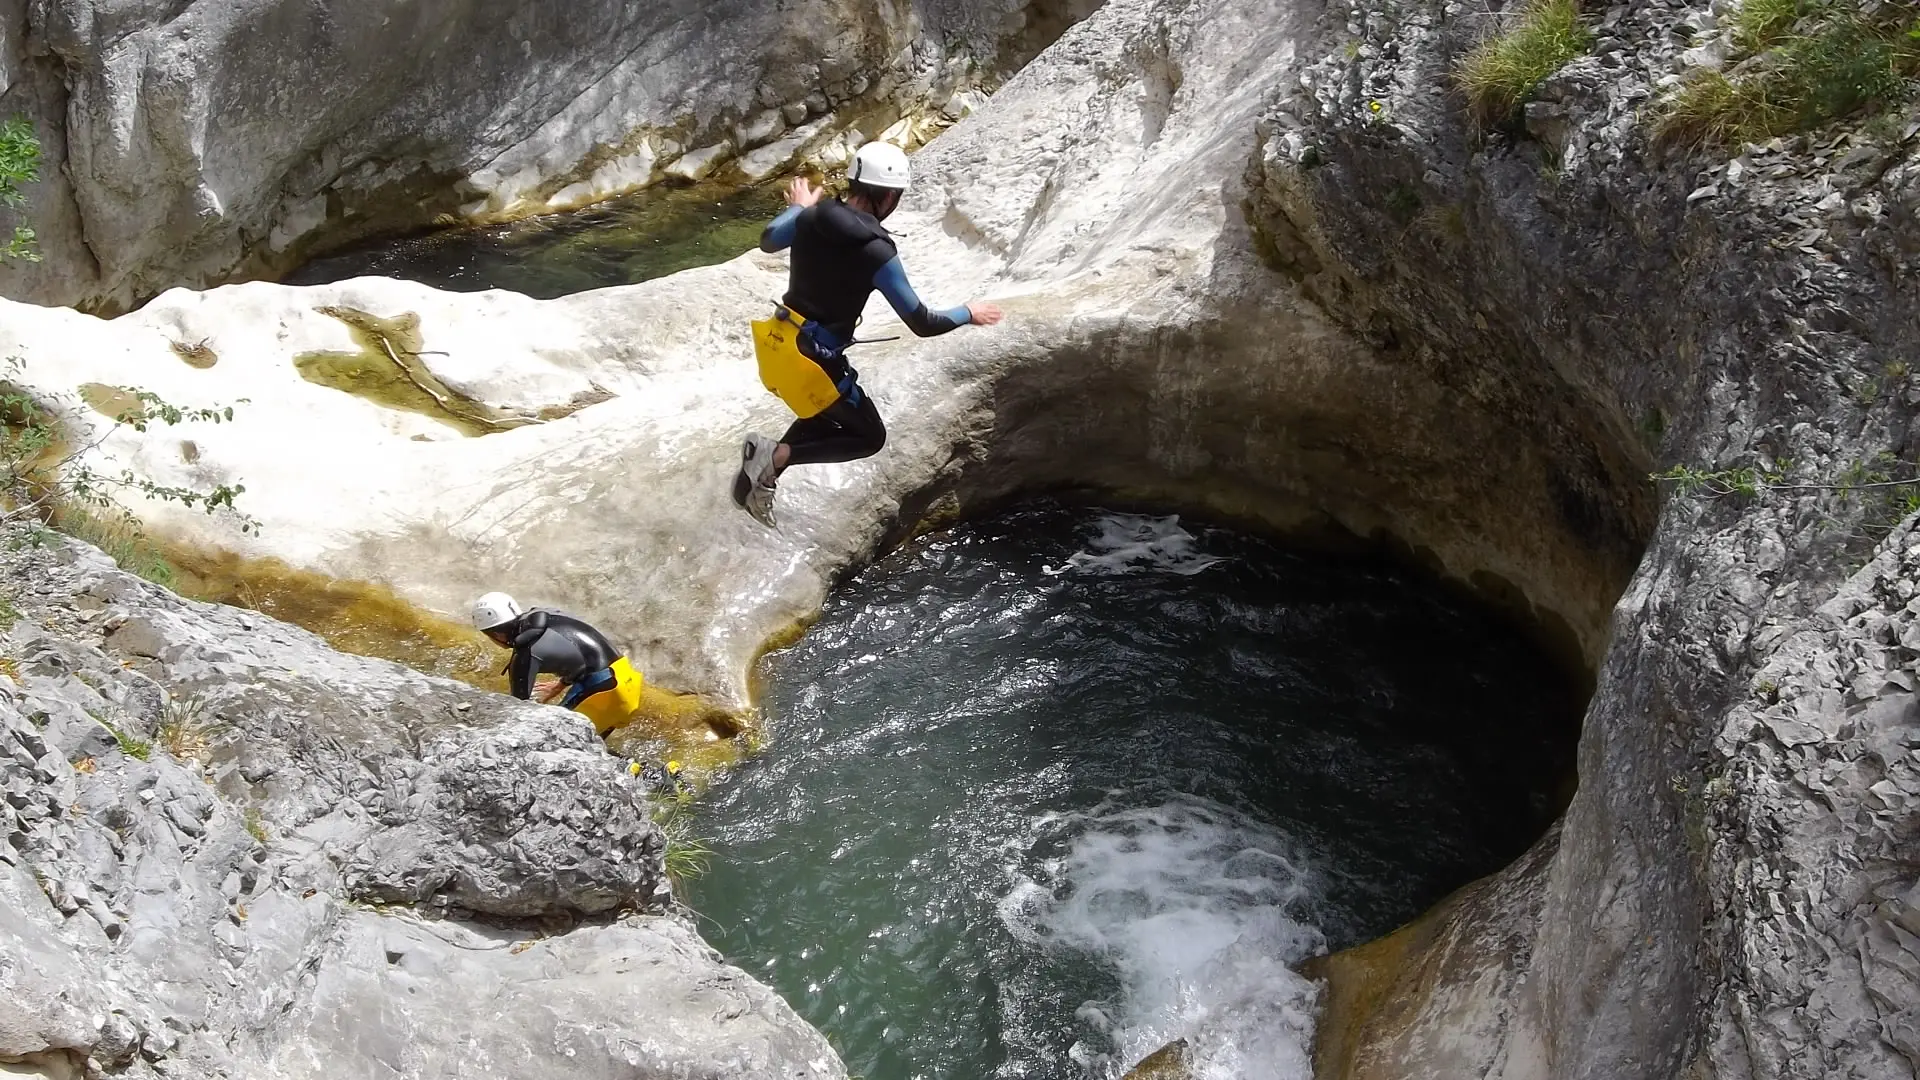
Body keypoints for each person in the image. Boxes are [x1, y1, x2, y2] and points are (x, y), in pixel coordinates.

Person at [732, 141, 1004, 525]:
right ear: (890, 196)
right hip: (814, 361)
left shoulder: (812, 217)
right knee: (867, 436)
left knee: (825, 414)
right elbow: (922, 323)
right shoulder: (877, 252)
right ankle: (774, 456)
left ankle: (760, 475)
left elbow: (768, 240)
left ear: (854, 181)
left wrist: (799, 207)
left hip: (778, 345)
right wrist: (968, 312)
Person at [471, 592, 645, 736]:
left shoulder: (525, 653)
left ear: (496, 634)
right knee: (591, 744)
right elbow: (584, 653)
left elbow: (518, 709)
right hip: (625, 680)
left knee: (557, 739)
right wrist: (560, 685)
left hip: (604, 690)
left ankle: (645, 773)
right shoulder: (544, 614)